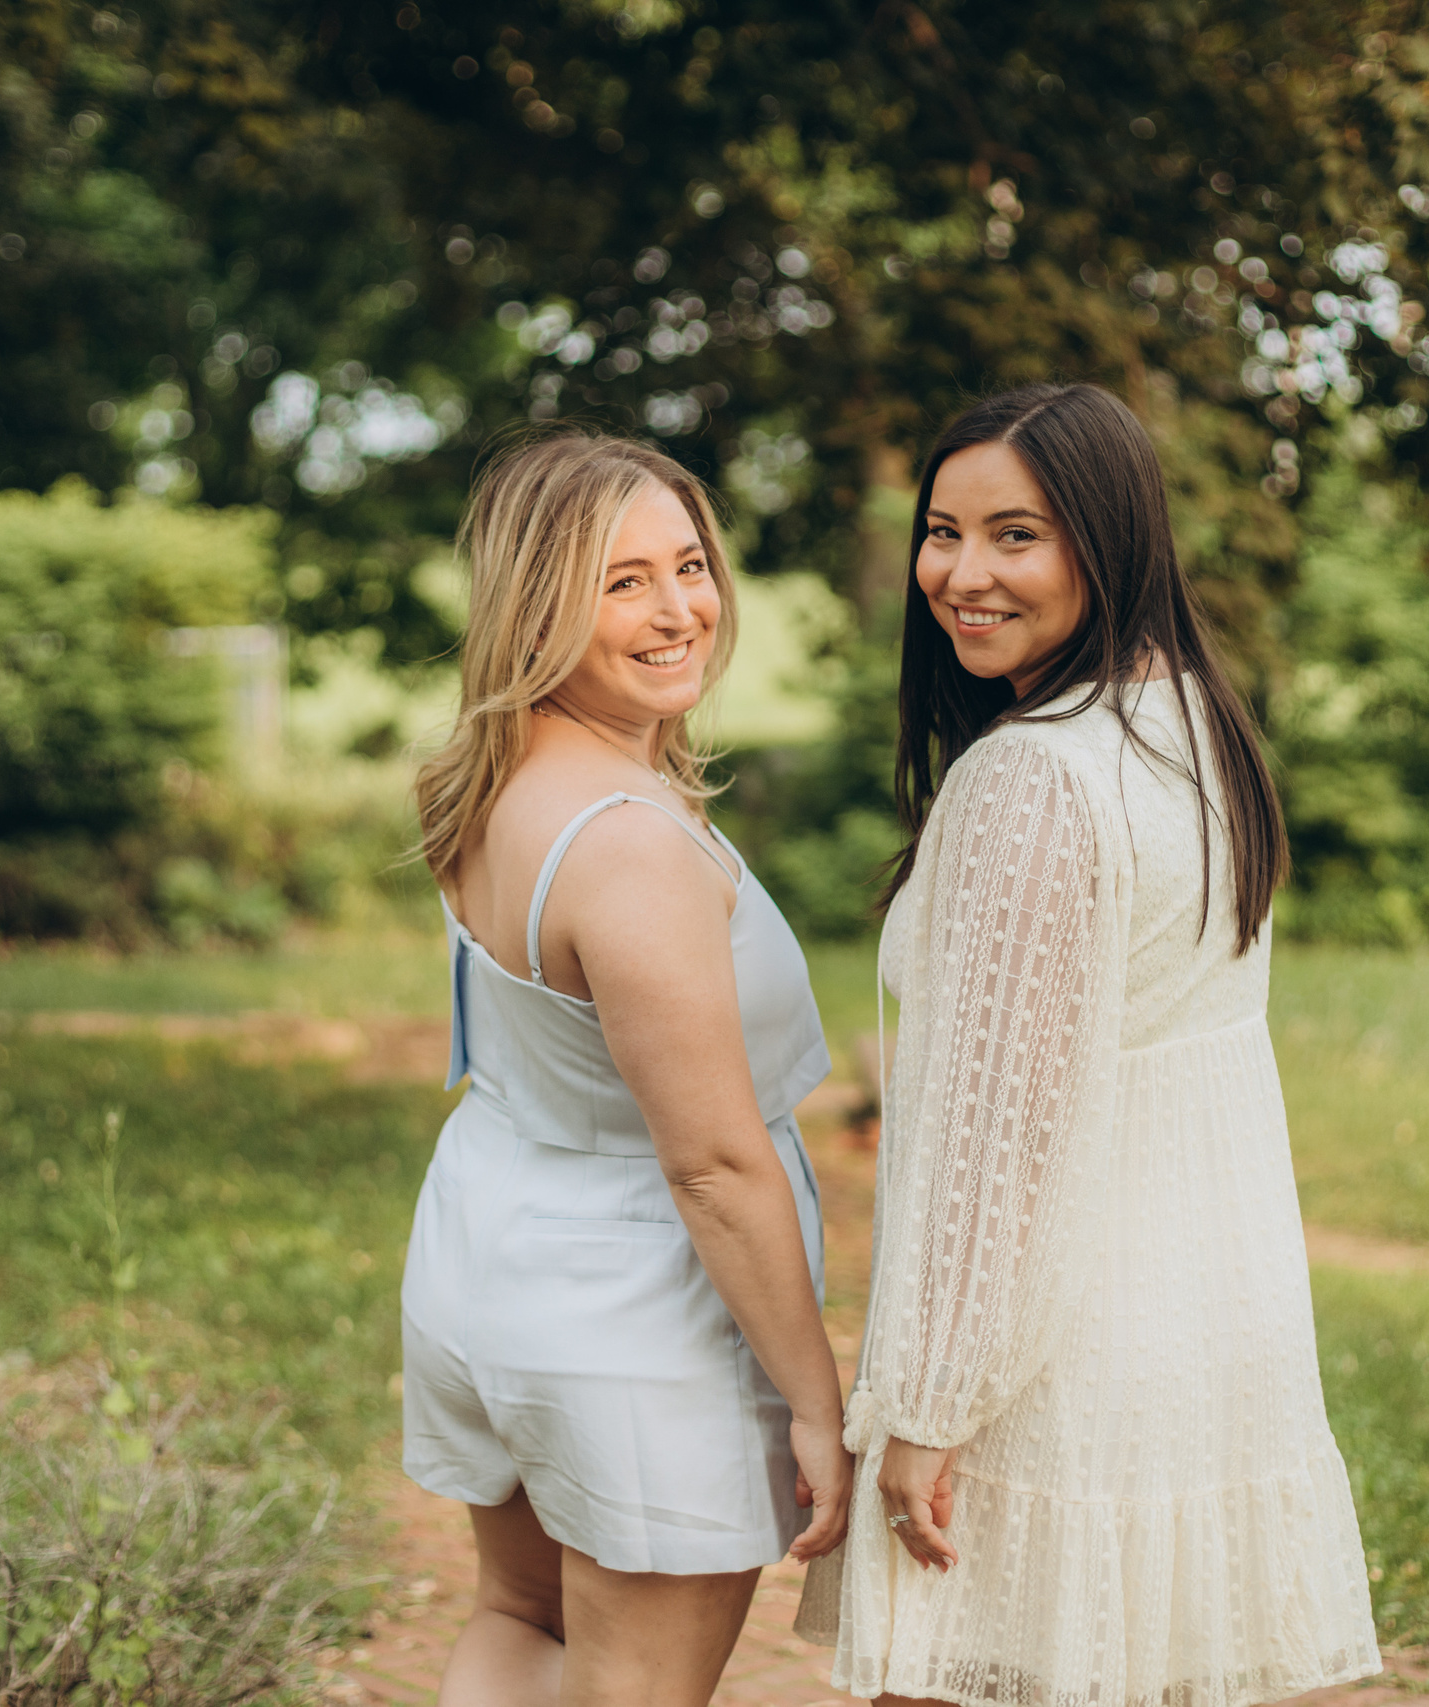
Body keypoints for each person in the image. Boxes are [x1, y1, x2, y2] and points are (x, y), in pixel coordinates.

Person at [796, 384, 1382, 1706]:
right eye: (944, 531)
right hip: (1195, 1338)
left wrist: (932, 1403)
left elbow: (1004, 1134)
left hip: (1047, 1374)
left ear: (1107, 542)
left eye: (1019, 534)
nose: (961, 572)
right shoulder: (1191, 730)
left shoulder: (1035, 775)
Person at [402, 428, 853, 1706]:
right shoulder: (627, 844)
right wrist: (815, 1400)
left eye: (690, 565)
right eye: (621, 582)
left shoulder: (488, 784)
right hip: (631, 1313)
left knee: (518, 1622)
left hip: (489, 1247)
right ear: (537, 606)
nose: (679, 611)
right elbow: (713, 1162)